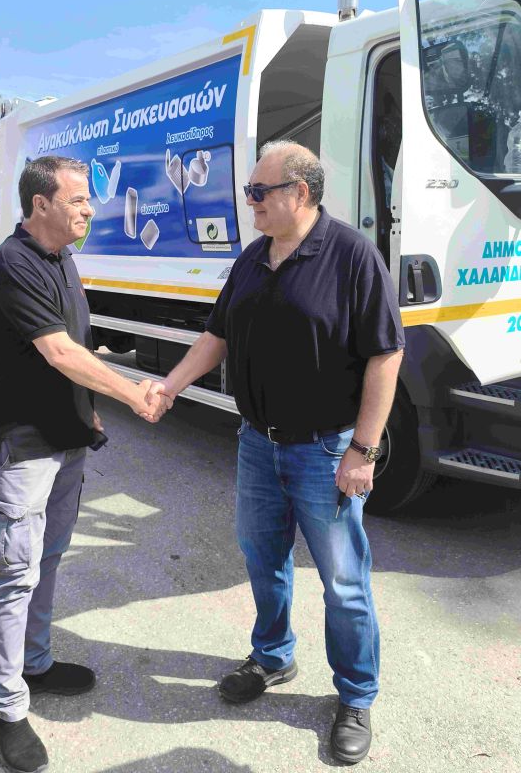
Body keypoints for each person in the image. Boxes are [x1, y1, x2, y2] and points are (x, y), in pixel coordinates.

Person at [149, 141, 404, 765]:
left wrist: (363, 450)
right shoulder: (253, 258)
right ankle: (272, 657)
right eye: (249, 191)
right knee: (263, 561)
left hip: (326, 450)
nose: (250, 201)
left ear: (301, 192)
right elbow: (216, 334)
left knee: (343, 582)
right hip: (258, 445)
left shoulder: (352, 256)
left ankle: (355, 696)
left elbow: (385, 354)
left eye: (259, 192)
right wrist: (170, 385)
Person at [0, 155, 163, 773]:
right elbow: (57, 352)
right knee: (12, 575)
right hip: (21, 448)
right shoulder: (12, 263)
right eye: (78, 199)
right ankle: (6, 710)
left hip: (65, 440)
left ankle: (36, 662)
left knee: (47, 558)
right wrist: (132, 394)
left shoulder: (62, 258)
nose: (89, 208)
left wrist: (88, 411)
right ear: (41, 204)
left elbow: (74, 343)